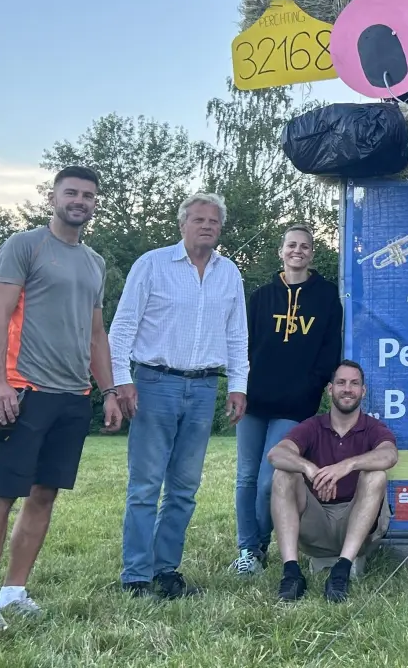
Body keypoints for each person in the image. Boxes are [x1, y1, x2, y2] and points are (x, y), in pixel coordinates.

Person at [0, 167, 118, 639]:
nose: (80, 201)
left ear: (95, 203)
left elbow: (95, 334)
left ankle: (15, 591)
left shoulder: (94, 262)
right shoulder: (24, 246)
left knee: (44, 494)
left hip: (73, 396)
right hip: (24, 389)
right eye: (71, 192)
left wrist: (109, 391)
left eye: (88, 195)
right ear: (53, 197)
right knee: (1, 494)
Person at [111, 192, 249, 598]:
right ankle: (136, 575)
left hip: (205, 387)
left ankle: (166, 570)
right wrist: (122, 379)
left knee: (185, 488)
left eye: (214, 222)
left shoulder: (230, 273)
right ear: (182, 224)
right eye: (199, 219)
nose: (207, 226)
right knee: (145, 486)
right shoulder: (152, 265)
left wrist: (237, 385)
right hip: (155, 383)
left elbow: (237, 335)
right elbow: (122, 327)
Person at [230, 225, 342, 577]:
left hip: (295, 404)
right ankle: (250, 550)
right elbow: (241, 345)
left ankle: (260, 543)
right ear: (281, 251)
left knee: (270, 477)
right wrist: (239, 386)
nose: (298, 251)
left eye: (305, 246)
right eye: (291, 245)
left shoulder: (326, 297)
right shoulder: (262, 296)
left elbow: (329, 350)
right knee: (246, 477)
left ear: (312, 253)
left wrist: (311, 386)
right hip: (254, 400)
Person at [269, 360, 397, 602]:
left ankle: (342, 570)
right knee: (283, 473)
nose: (347, 389)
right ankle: (291, 573)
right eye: (341, 383)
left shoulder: (373, 428)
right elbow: (276, 454)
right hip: (315, 524)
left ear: (363, 391)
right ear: (330, 389)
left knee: (376, 474)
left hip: (357, 527)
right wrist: (310, 469)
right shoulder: (313, 426)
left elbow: (389, 455)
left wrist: (348, 465)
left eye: (354, 383)